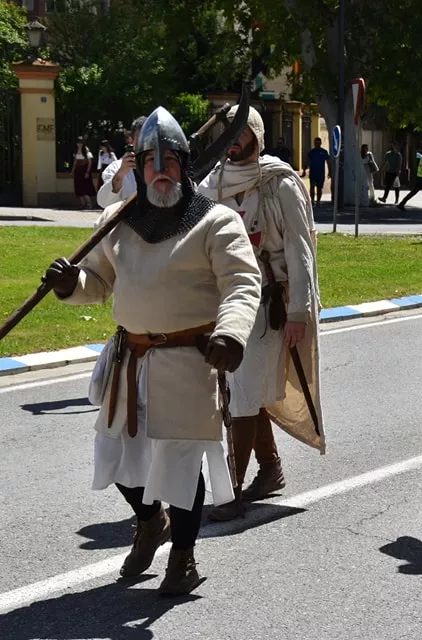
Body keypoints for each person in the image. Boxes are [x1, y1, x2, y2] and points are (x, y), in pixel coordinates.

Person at [42, 107, 262, 595]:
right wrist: (69, 282)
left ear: (185, 165)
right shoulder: (117, 220)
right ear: (138, 168)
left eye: (169, 162)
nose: (160, 171)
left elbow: (243, 284)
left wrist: (231, 333)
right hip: (129, 362)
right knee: (118, 457)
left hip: (189, 362)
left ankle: (182, 556)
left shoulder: (216, 221)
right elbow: (97, 282)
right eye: (150, 163)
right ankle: (149, 520)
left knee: (182, 465)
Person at [198, 105, 326, 521]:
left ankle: (230, 489)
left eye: (240, 133)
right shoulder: (211, 183)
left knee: (245, 391)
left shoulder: (278, 181)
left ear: (256, 134)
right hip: (224, 301)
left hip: (268, 302)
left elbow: (299, 248)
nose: (233, 142)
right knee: (240, 390)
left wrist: (299, 311)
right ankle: (270, 469)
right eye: (227, 134)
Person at [98, 116, 147, 209]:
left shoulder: (166, 166)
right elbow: (104, 202)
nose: (146, 142)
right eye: (142, 138)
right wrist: (121, 174)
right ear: (131, 140)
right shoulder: (116, 168)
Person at [72, 138, 96, 210]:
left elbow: (89, 163)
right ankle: (82, 204)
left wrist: (87, 172)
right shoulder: (76, 151)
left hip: (84, 170)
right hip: (78, 171)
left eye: (80, 143)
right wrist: (72, 170)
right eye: (78, 143)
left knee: (84, 187)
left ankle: (89, 204)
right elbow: (75, 162)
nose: (79, 145)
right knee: (78, 187)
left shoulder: (86, 150)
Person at [306, 137, 330, 206]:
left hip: (321, 173)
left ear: (320, 143)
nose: (317, 144)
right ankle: (312, 200)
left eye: (318, 143)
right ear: (314, 143)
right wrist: (305, 170)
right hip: (313, 172)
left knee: (319, 188)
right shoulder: (311, 152)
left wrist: (330, 171)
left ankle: (318, 201)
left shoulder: (324, 152)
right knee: (312, 187)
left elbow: (328, 161)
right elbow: (307, 161)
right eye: (316, 143)